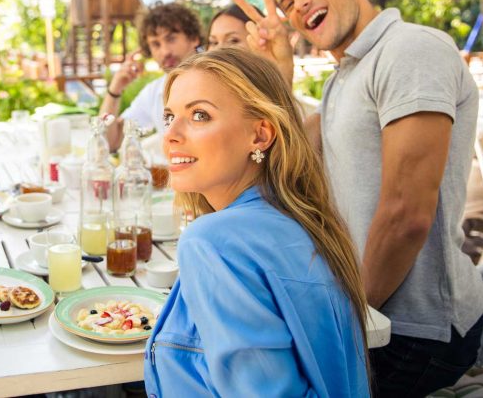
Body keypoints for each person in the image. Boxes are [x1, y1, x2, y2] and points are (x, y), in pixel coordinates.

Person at [234, 0, 483, 397]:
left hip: (415, 330)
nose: (300, 3)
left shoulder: (410, 49)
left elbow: (405, 215)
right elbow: (286, 166)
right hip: (373, 311)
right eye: (288, 1)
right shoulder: (342, 78)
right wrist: (279, 76)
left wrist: (349, 323)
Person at [146, 47, 369, 396]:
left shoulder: (213, 242)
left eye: (200, 115)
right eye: (169, 117)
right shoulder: (307, 223)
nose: (171, 134)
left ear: (260, 135)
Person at [100, 2, 202, 151]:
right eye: (155, 44)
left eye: (171, 39)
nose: (165, 51)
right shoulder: (155, 92)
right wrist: (115, 90)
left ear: (193, 38)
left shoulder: (218, 82)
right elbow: (110, 142)